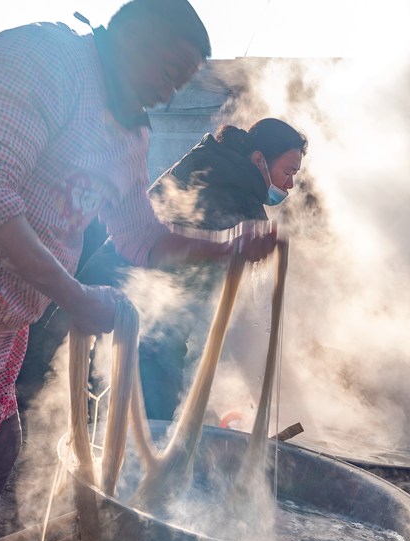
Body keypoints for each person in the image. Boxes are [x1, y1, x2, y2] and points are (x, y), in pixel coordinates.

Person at [0, 1, 276, 541]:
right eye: (166, 73)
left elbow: (141, 237)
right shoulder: (39, 60)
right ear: (132, 37)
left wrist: (226, 251)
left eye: (180, 84)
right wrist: (76, 297)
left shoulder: (125, 131)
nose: (167, 94)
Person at [47, 117, 307, 420]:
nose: (290, 184)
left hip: (88, 302)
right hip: (130, 324)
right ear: (259, 159)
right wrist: (282, 407)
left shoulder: (204, 163)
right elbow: (241, 321)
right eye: (288, 172)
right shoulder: (239, 202)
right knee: (142, 437)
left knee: (86, 424)